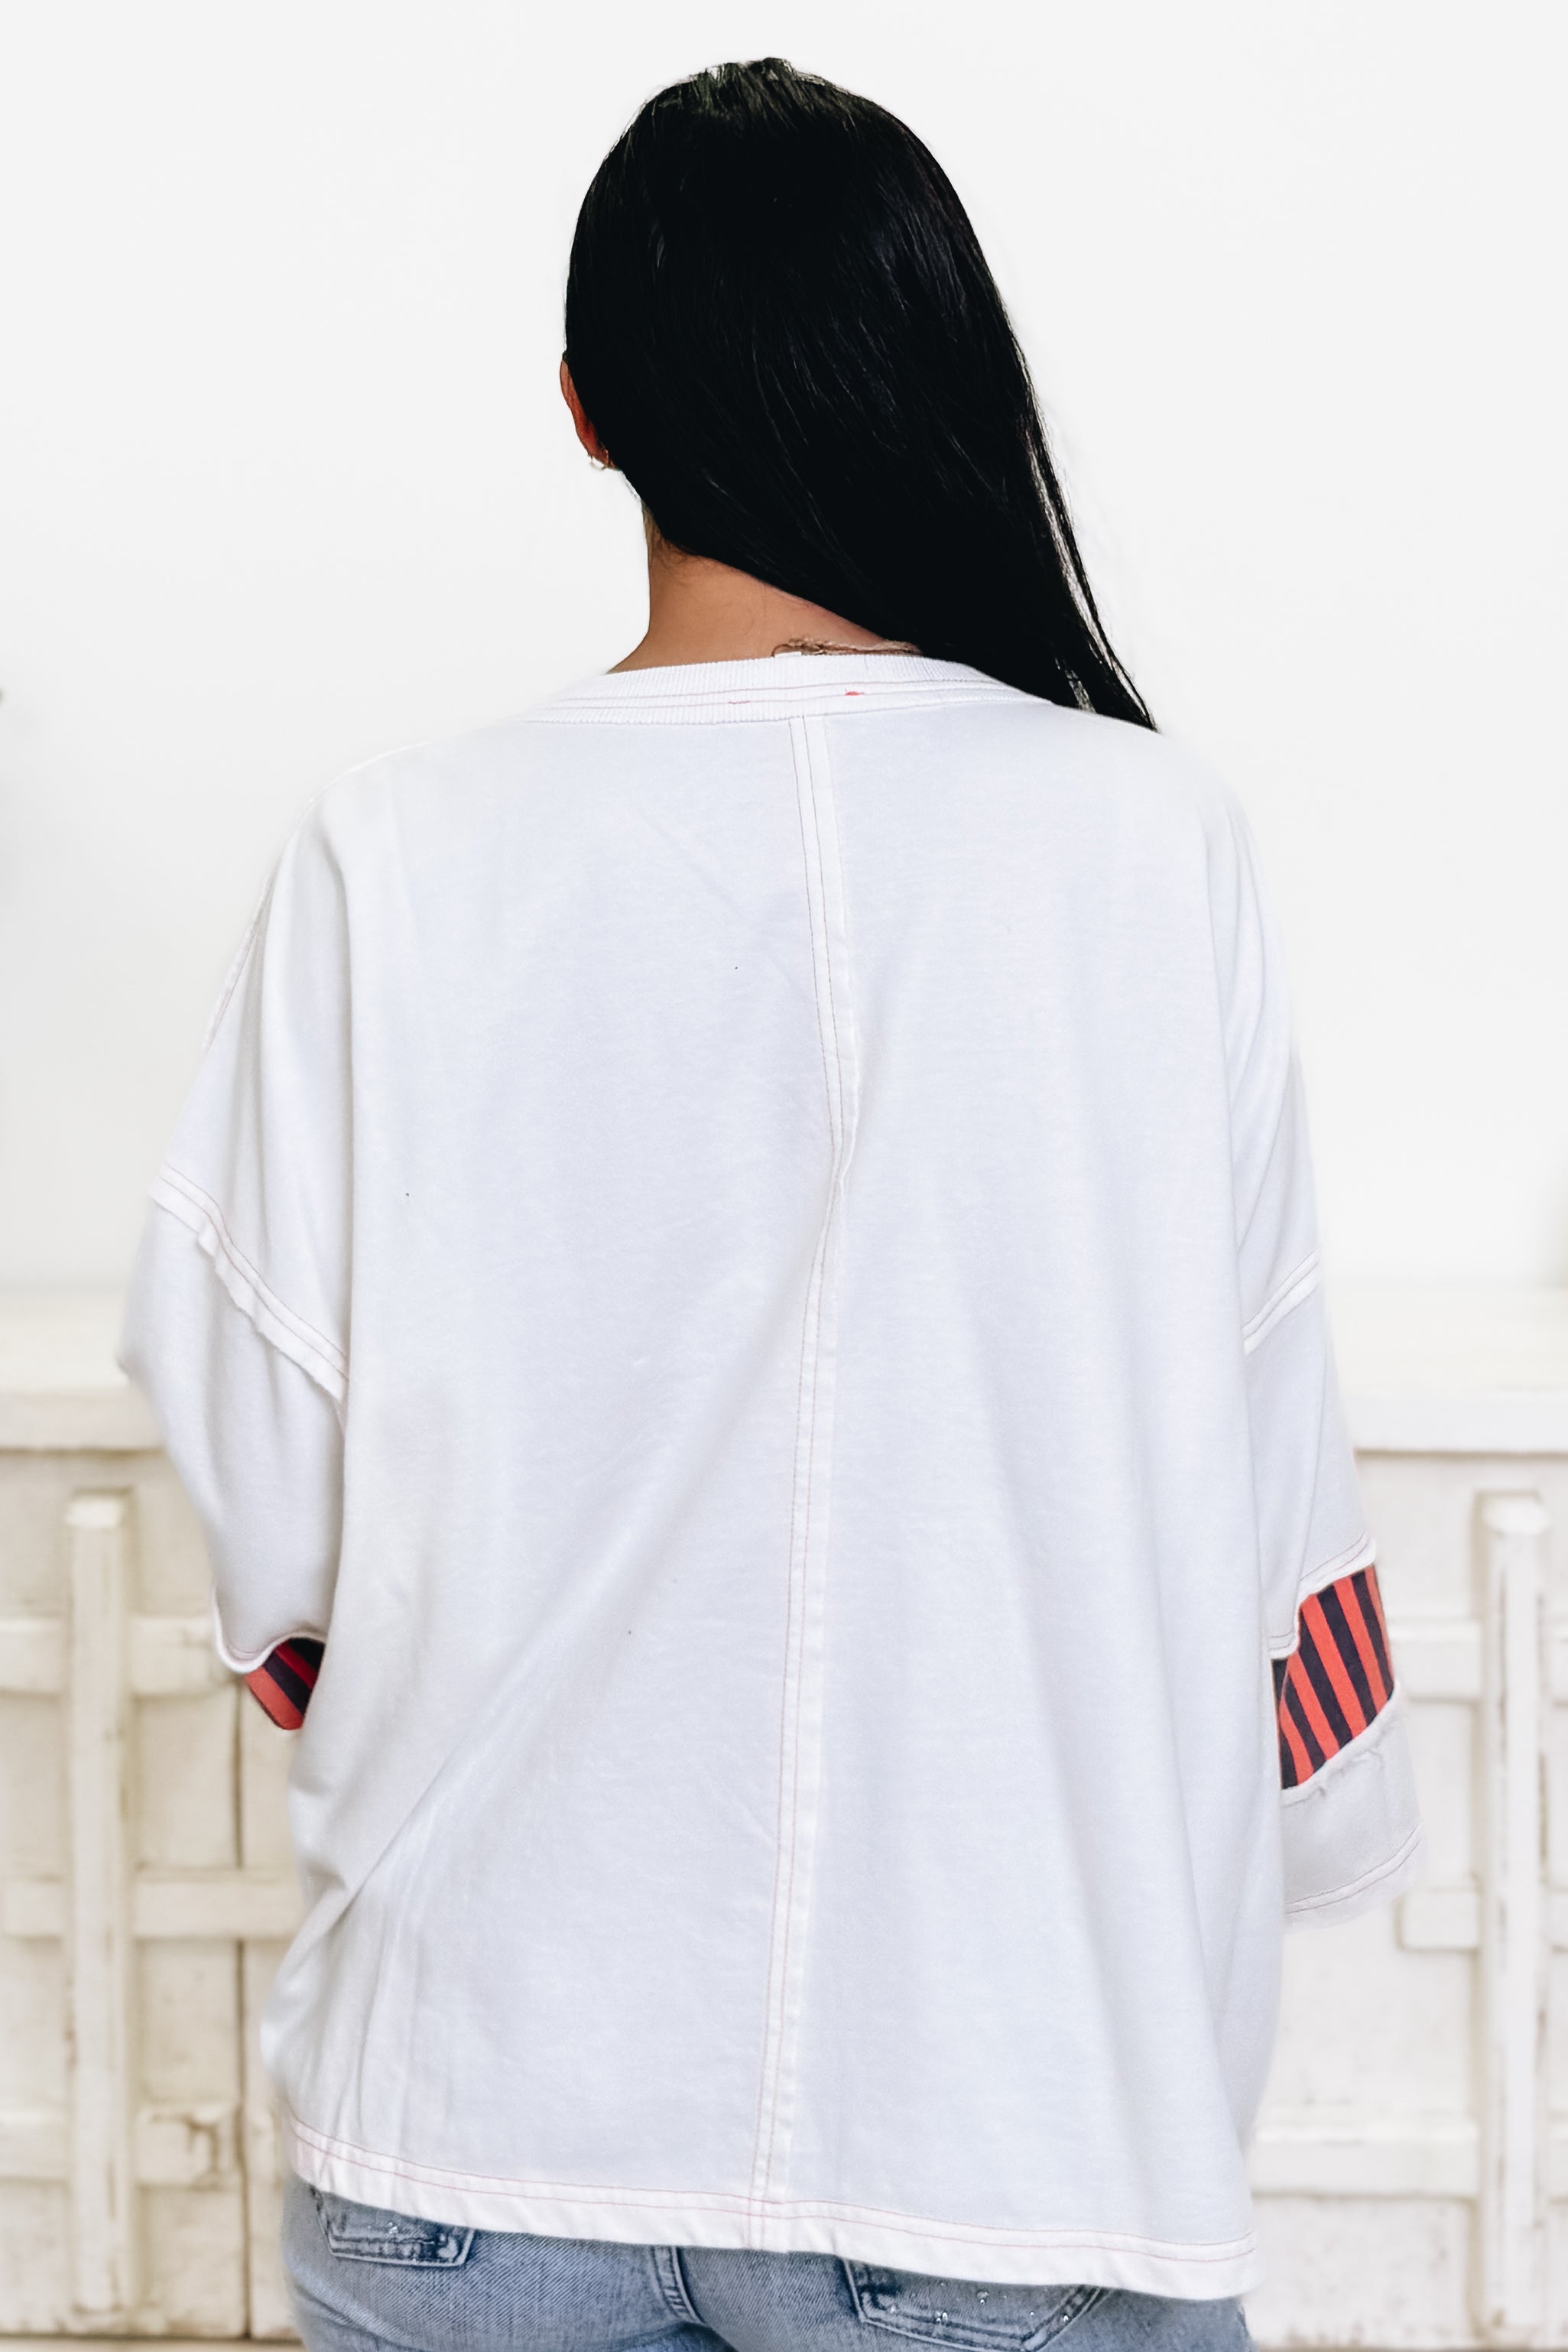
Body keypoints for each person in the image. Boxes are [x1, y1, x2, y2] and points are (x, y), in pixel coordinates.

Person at [121, 57, 1422, 2352]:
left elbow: (254, 1449)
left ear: (584, 412)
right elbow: (1261, 1455)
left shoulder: (390, 852)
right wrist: (1307, 1823)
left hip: (474, 2109)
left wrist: (417, 1688)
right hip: (1013, 2115)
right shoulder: (1147, 844)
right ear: (942, 374)